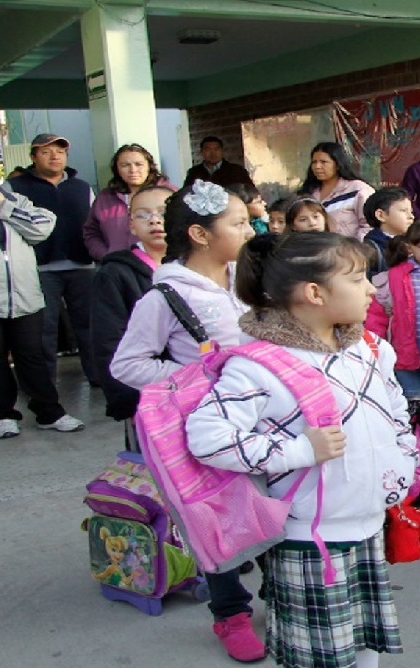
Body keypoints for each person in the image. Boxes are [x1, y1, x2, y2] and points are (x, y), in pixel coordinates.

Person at [187, 231, 415, 668]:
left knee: (366, 647)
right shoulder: (257, 365)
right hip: (308, 540)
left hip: (367, 527)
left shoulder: (369, 348)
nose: (372, 288)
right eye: (358, 279)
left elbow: (397, 409)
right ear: (314, 293)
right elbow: (207, 437)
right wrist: (295, 450)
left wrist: (405, 460)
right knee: (320, 660)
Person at [109, 180, 263, 663]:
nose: (250, 229)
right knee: (216, 522)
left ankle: (280, 594)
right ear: (199, 233)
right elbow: (127, 364)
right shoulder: (166, 297)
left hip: (263, 420)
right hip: (205, 428)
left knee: (274, 507)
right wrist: (196, 373)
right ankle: (230, 612)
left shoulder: (247, 278)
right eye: (238, 223)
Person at [0, 147, 85, 438]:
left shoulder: (13, 200)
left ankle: (49, 411)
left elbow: (43, 227)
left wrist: (1, 206)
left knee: (32, 355)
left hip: (24, 296)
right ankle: (4, 415)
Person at [7, 133, 102, 385]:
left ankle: (98, 377)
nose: (54, 156)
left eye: (59, 151)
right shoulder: (16, 187)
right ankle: (43, 384)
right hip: (39, 269)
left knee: (89, 325)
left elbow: (93, 225)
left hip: (82, 266)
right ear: (33, 157)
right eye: (46, 151)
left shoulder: (81, 187)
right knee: (43, 330)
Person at [90, 185, 172, 447]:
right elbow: (108, 340)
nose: (155, 220)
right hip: (146, 395)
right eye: (143, 214)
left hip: (195, 391)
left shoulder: (195, 267)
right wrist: (125, 399)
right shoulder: (115, 272)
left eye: (163, 212)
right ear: (131, 225)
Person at [366, 218, 420, 398]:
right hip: (404, 352)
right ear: (409, 247)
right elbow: (377, 317)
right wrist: (376, 349)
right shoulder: (394, 277)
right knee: (411, 404)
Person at [83, 143, 176, 260]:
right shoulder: (105, 198)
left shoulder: (170, 194)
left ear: (149, 166)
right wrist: (105, 255)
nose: (133, 170)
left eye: (139, 164)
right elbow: (91, 232)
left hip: (162, 264)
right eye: (125, 165)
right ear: (117, 169)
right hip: (118, 267)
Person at [300, 142, 375, 239]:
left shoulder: (357, 189)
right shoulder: (310, 194)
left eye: (324, 162)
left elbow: (370, 225)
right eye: (314, 162)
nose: (317, 166)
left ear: (338, 164)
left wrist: (355, 248)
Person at [362, 187, 416, 275]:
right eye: (403, 211)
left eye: (411, 212)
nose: (411, 217)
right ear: (381, 215)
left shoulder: (414, 244)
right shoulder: (371, 250)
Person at [182, 136, 255, 189]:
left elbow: (251, 192)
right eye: (208, 149)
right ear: (202, 152)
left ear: (222, 151)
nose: (213, 153)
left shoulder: (236, 170)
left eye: (216, 149)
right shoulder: (194, 172)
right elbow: (186, 194)